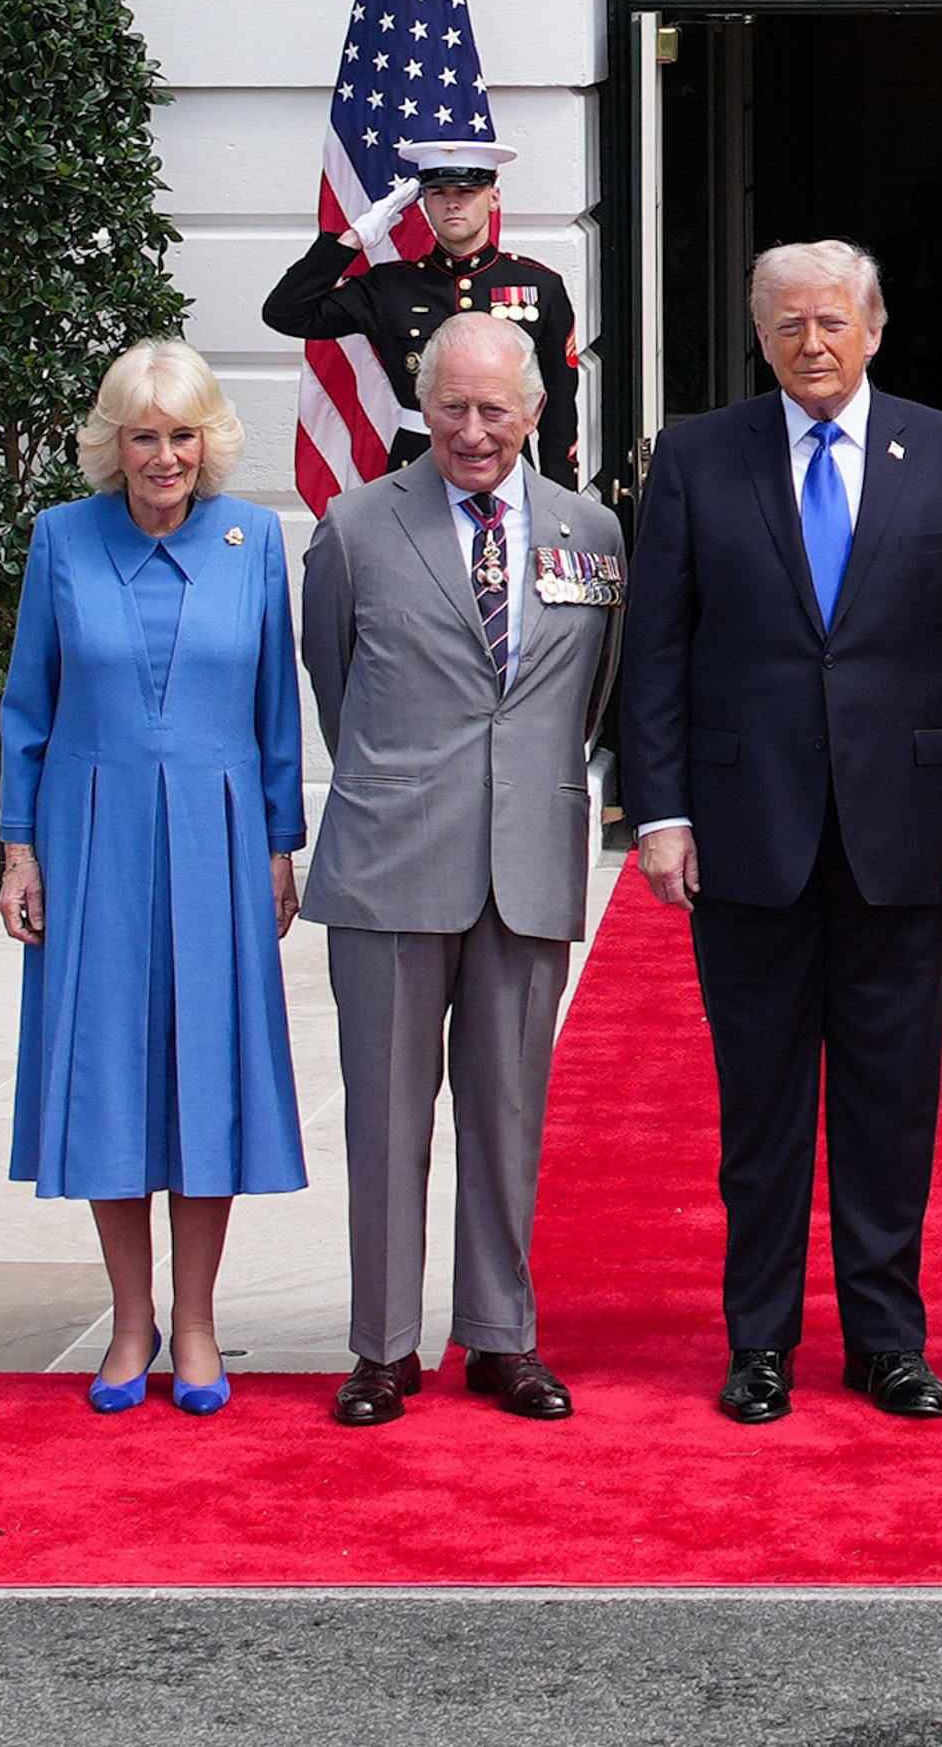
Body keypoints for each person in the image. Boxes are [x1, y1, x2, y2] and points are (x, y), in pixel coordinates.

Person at [622, 240, 942, 1426]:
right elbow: (659, 649)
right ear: (760, 333)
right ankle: (761, 1346)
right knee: (761, 1109)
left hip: (903, 834)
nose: (813, 342)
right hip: (746, 833)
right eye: (789, 323)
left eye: (834, 321)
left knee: (892, 1105)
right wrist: (662, 811)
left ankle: (887, 1340)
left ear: (877, 327)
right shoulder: (697, 457)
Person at [300, 314, 623, 1429]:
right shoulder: (352, 529)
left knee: (506, 1113)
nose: (473, 430)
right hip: (394, 858)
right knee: (386, 1116)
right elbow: (334, 684)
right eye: (452, 407)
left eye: (495, 409)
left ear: (535, 412)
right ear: (420, 406)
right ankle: (383, 1347)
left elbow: (590, 700)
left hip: (527, 856)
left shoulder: (594, 534)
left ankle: (500, 1337)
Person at [0, 340, 306, 1418]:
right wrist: (18, 849)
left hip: (221, 843)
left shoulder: (255, 538)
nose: (164, 456)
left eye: (182, 434)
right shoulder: (59, 541)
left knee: (206, 1075)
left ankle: (200, 1325)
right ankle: (131, 1325)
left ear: (208, 439)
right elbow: (27, 706)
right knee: (114, 1074)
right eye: (144, 435)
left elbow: (278, 711)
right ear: (114, 443)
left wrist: (280, 842)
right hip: (92, 839)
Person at [262, 136, 579, 486]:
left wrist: (558, 501)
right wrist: (353, 239)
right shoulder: (390, 286)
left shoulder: (538, 287)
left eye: (466, 192)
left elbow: (559, 412)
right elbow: (285, 312)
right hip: (416, 468)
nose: (453, 205)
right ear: (424, 201)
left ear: (494, 196)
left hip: (505, 467)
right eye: (439, 193)